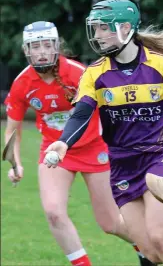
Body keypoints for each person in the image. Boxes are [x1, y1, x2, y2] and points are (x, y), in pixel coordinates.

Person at [44, 0, 163, 266]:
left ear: (124, 28)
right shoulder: (95, 74)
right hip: (122, 165)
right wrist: (63, 143)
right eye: (94, 28)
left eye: (102, 28)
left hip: (161, 155)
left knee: (160, 236)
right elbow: (83, 113)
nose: (96, 35)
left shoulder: (161, 65)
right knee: (153, 253)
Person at [4, 20, 149, 266]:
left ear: (56, 46)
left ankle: (146, 249)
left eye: (46, 45)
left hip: (95, 148)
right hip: (54, 153)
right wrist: (15, 163)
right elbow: (11, 130)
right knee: (53, 212)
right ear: (26, 50)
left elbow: (111, 107)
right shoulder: (22, 83)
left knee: (111, 223)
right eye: (34, 47)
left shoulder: (78, 73)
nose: (40, 52)